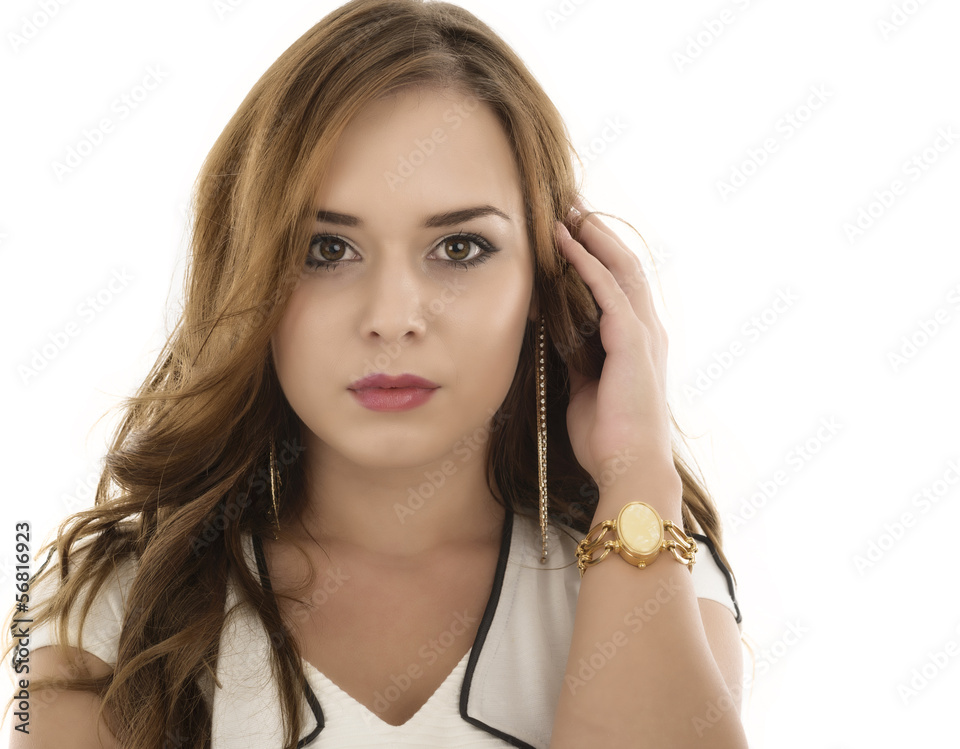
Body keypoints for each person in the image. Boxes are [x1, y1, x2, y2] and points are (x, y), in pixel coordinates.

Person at [2, 0, 748, 746]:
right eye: (326, 250)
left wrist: (636, 471)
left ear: (548, 279)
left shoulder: (651, 557)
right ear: (249, 275)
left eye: (459, 248)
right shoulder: (107, 607)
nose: (393, 316)